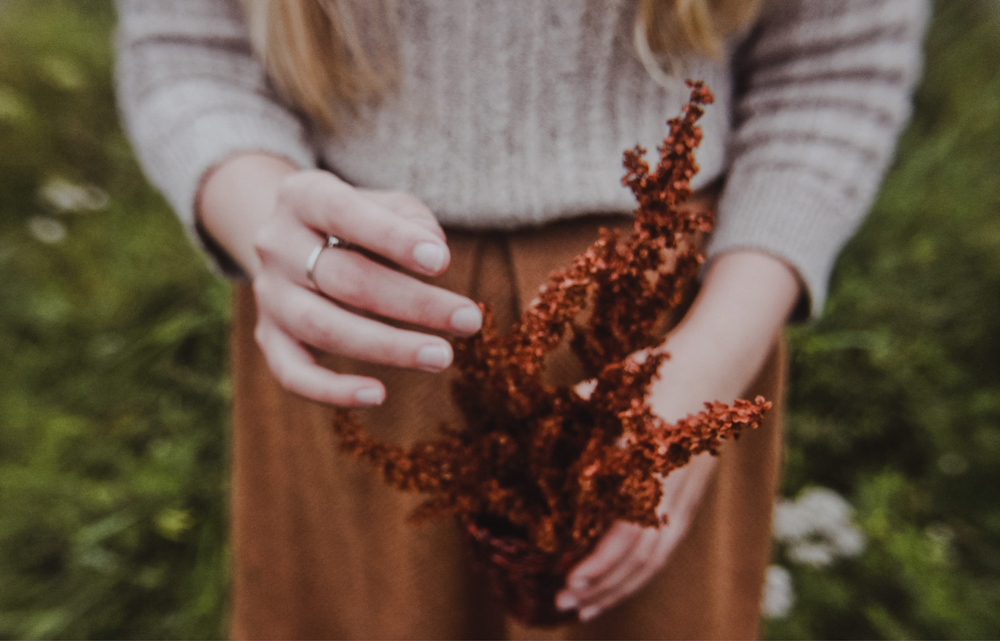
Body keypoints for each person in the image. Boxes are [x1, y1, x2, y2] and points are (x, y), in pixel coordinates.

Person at [115, 0, 927, 638]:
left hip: (667, 344)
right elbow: (188, 49)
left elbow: (837, 66)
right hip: (359, 334)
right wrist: (268, 221)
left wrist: (711, 362)